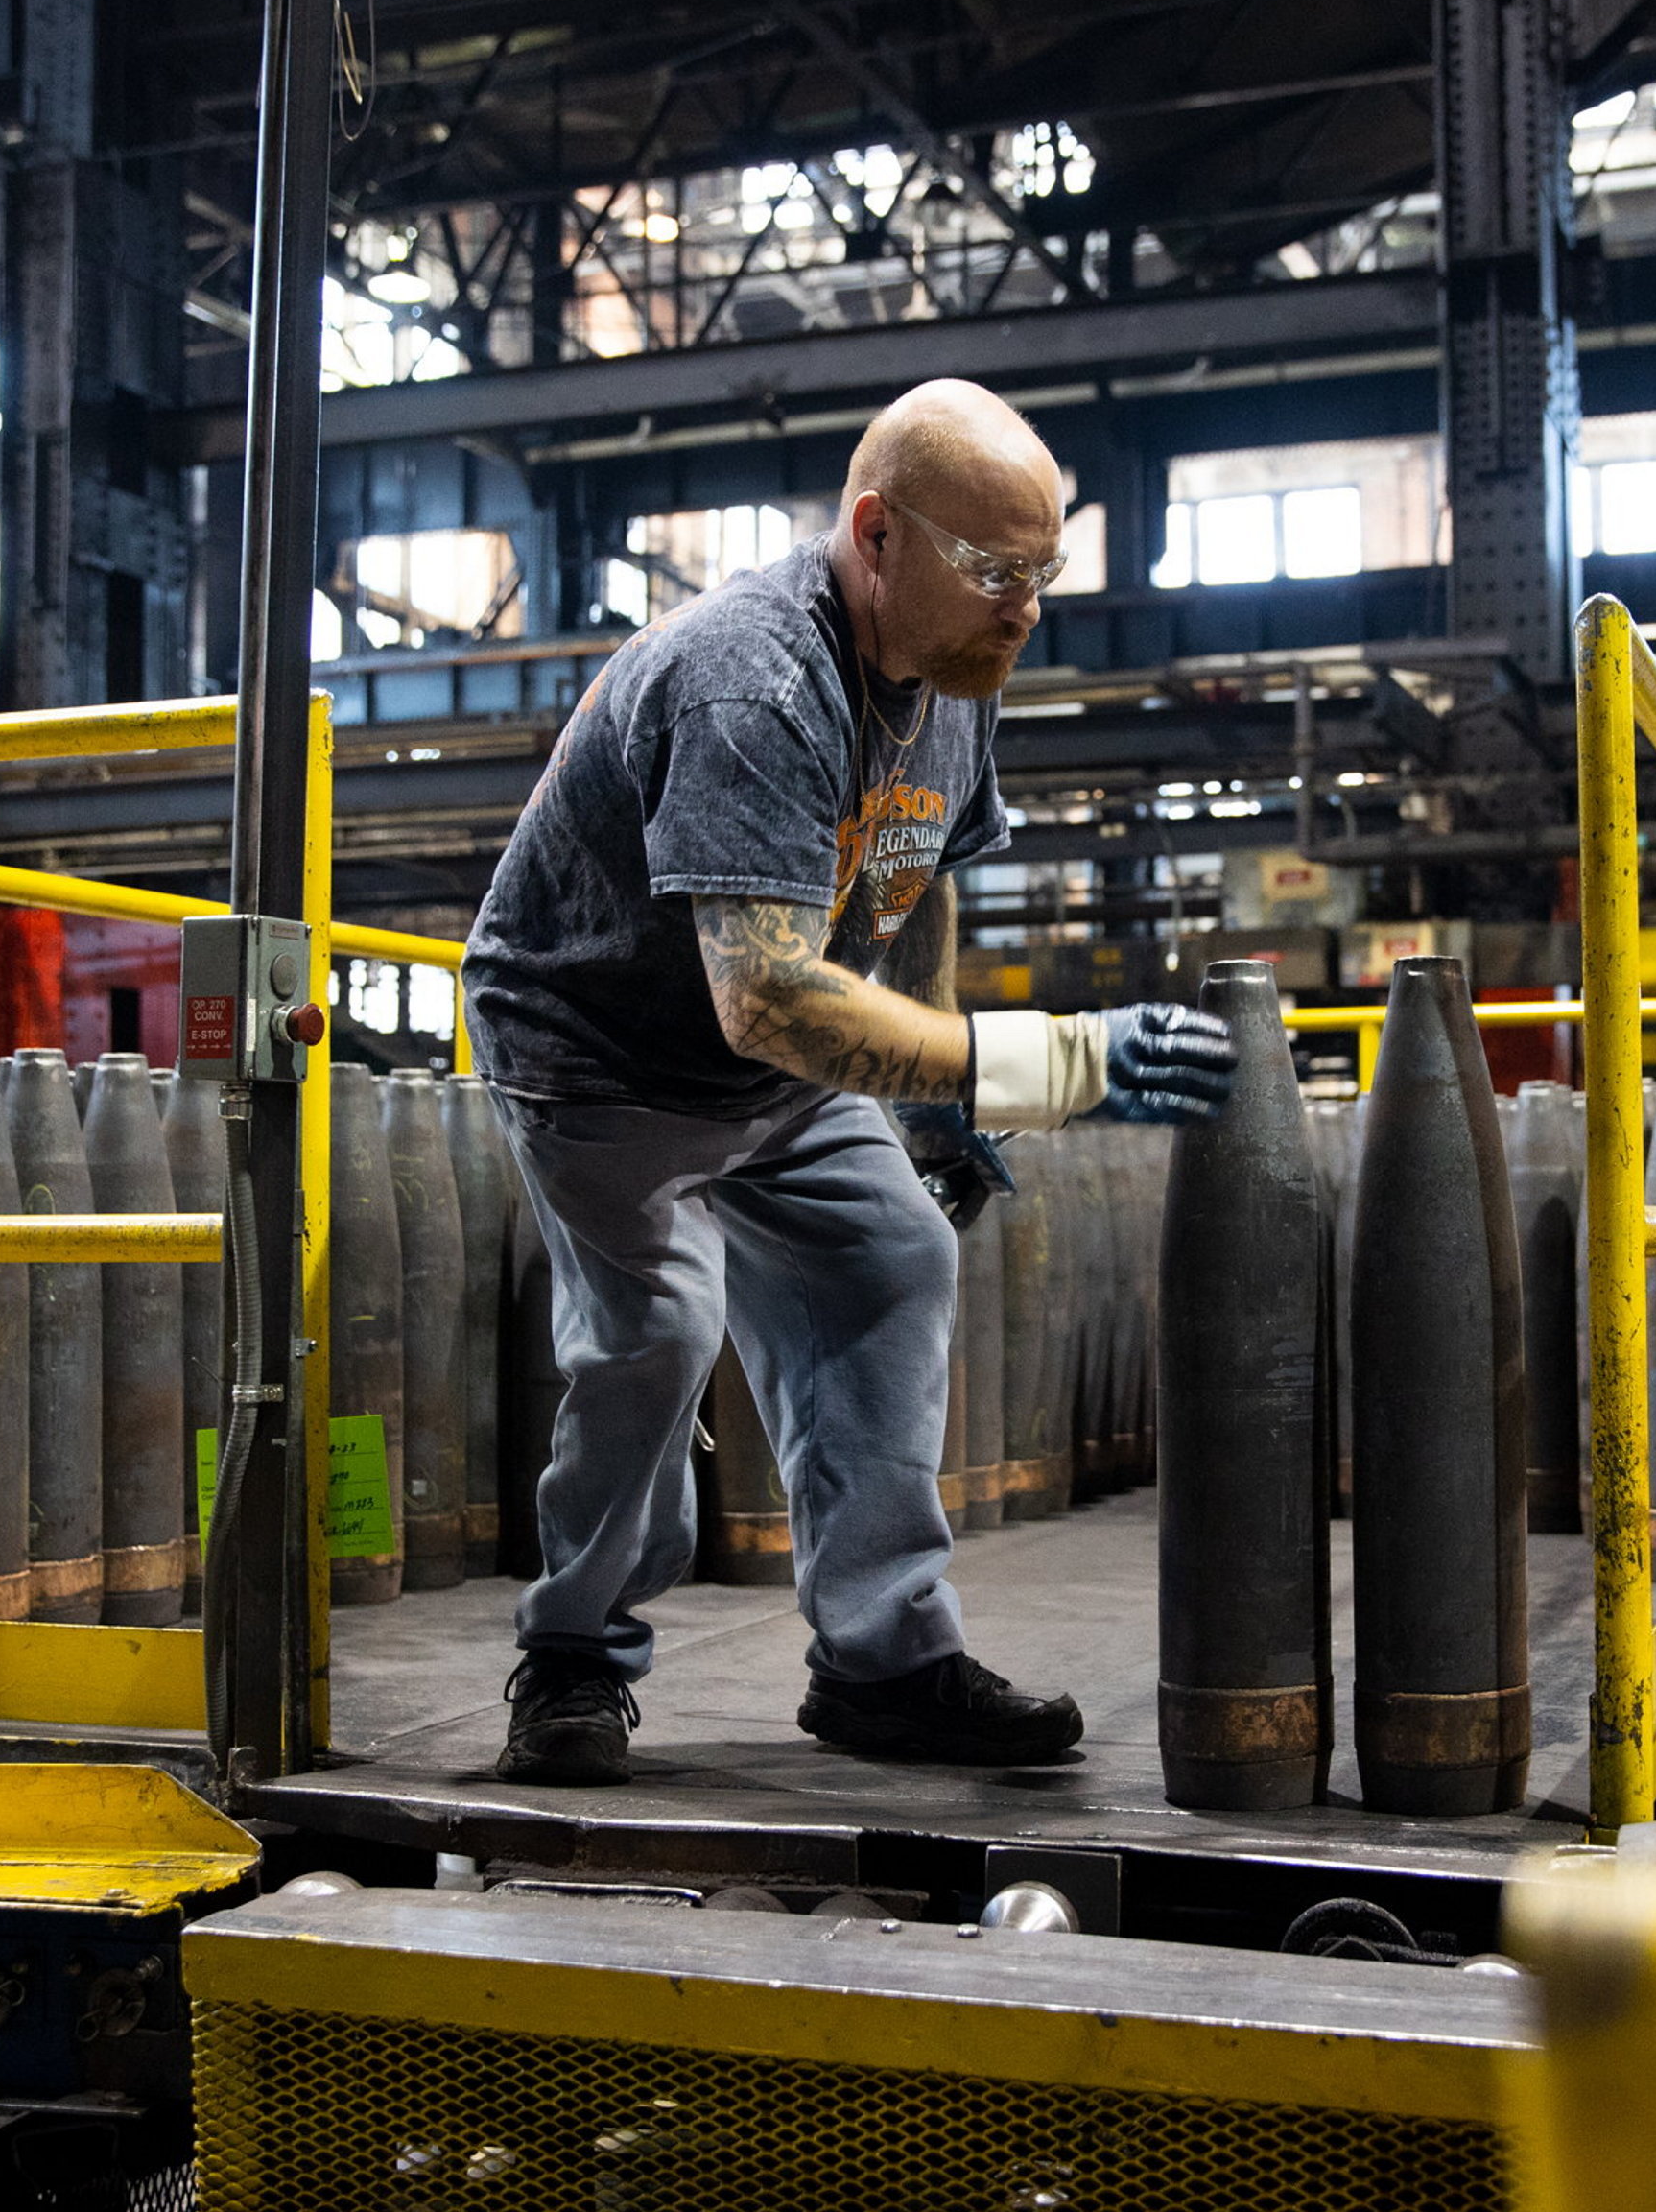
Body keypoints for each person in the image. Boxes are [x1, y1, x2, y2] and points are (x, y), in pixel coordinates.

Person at [461, 378, 1238, 1787]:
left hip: (777, 1077)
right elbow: (764, 998)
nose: (1027, 606)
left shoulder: (949, 677)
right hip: (600, 1052)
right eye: (998, 570)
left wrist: (932, 1086)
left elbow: (916, 872)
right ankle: (573, 1657)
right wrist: (1048, 1063)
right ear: (877, 535)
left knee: (892, 1258)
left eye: (1046, 570)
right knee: (657, 1328)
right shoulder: (753, 680)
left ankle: (885, 1664)